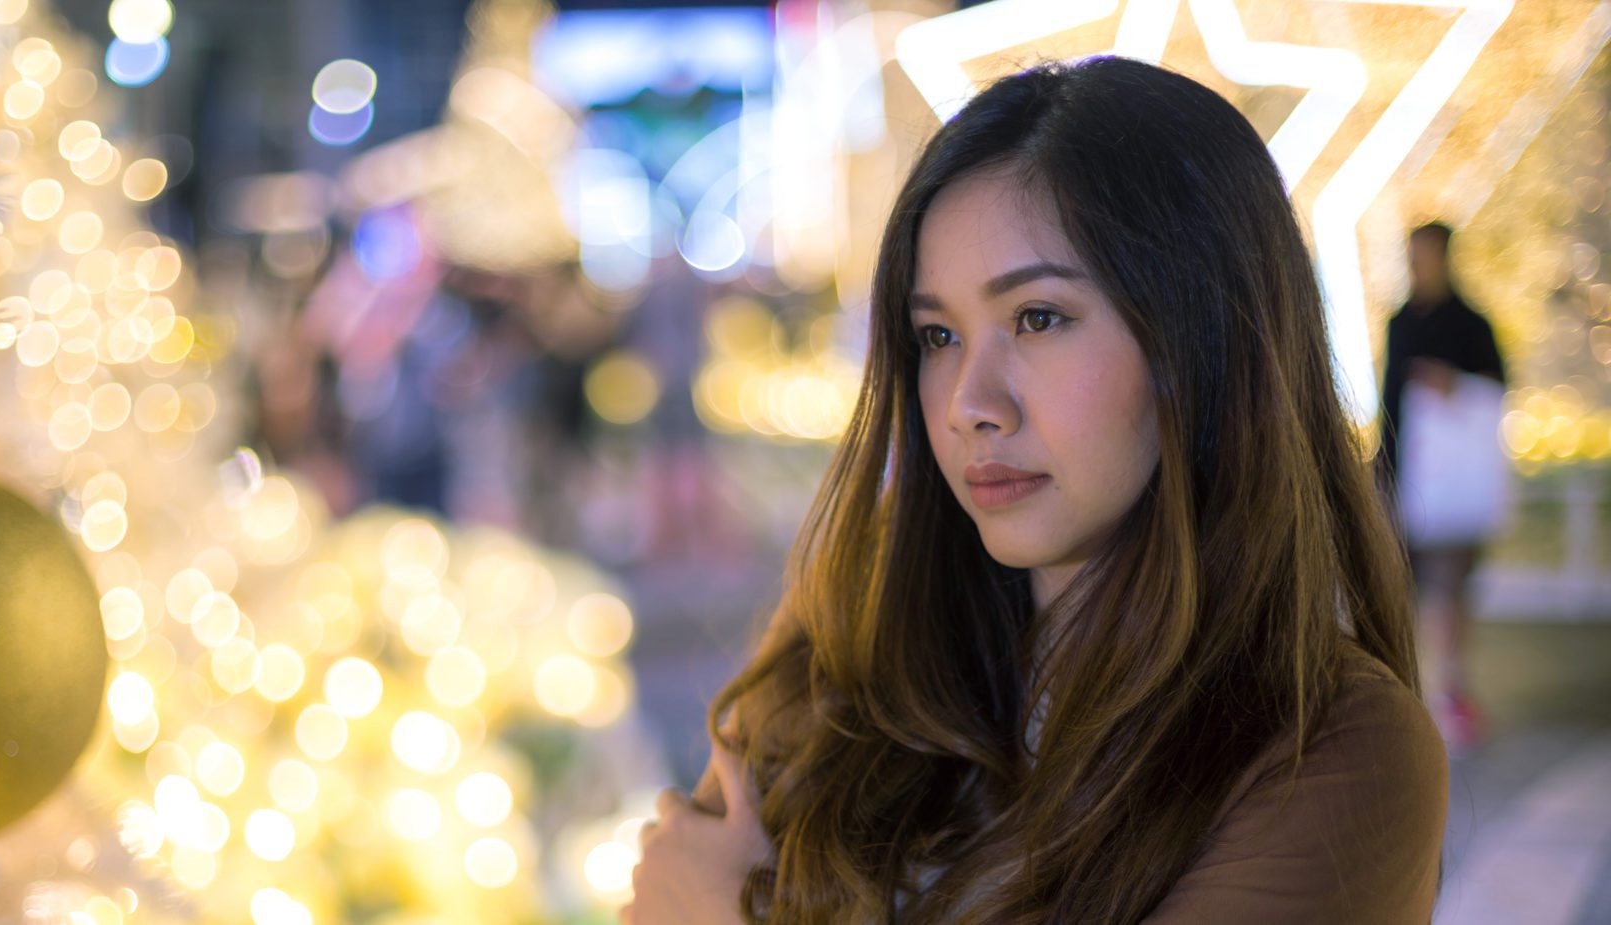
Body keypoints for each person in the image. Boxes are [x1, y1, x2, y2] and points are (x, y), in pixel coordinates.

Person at [621, 57, 1446, 924]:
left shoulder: (1330, 750)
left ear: (1195, 337)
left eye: (1038, 318)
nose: (971, 404)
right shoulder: (850, 661)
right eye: (937, 334)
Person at [1377, 221, 1507, 751]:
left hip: (1455, 489)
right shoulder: (1401, 323)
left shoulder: (1472, 325)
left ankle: (1449, 688)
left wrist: (1454, 386)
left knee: (1447, 588)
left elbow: (1497, 389)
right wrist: (1381, 472)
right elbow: (1391, 403)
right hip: (1412, 485)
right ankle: (1436, 689)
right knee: (1418, 590)